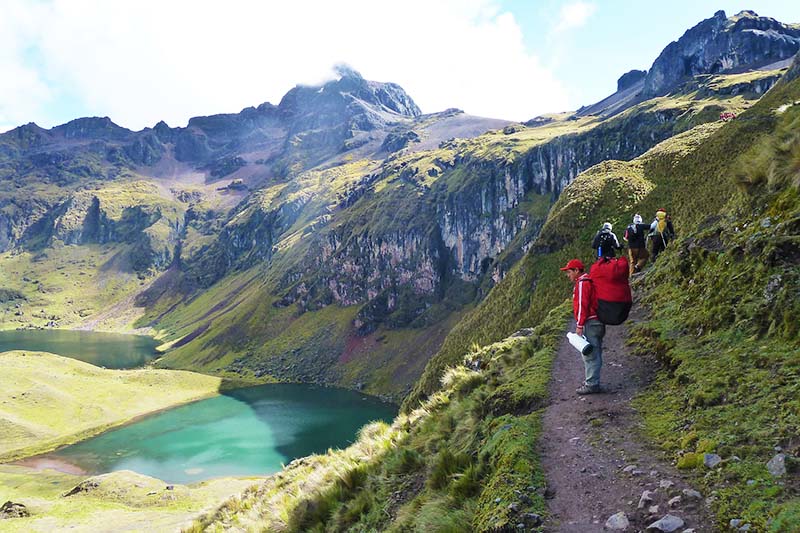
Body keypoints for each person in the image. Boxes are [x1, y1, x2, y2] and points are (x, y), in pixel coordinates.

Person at [560, 258, 605, 394]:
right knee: (595, 351)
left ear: (577, 270)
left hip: (590, 322)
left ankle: (591, 384)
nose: (568, 275)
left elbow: (582, 305)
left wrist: (579, 325)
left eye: (569, 272)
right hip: (598, 321)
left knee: (589, 353)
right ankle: (593, 380)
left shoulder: (582, 283)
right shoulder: (589, 280)